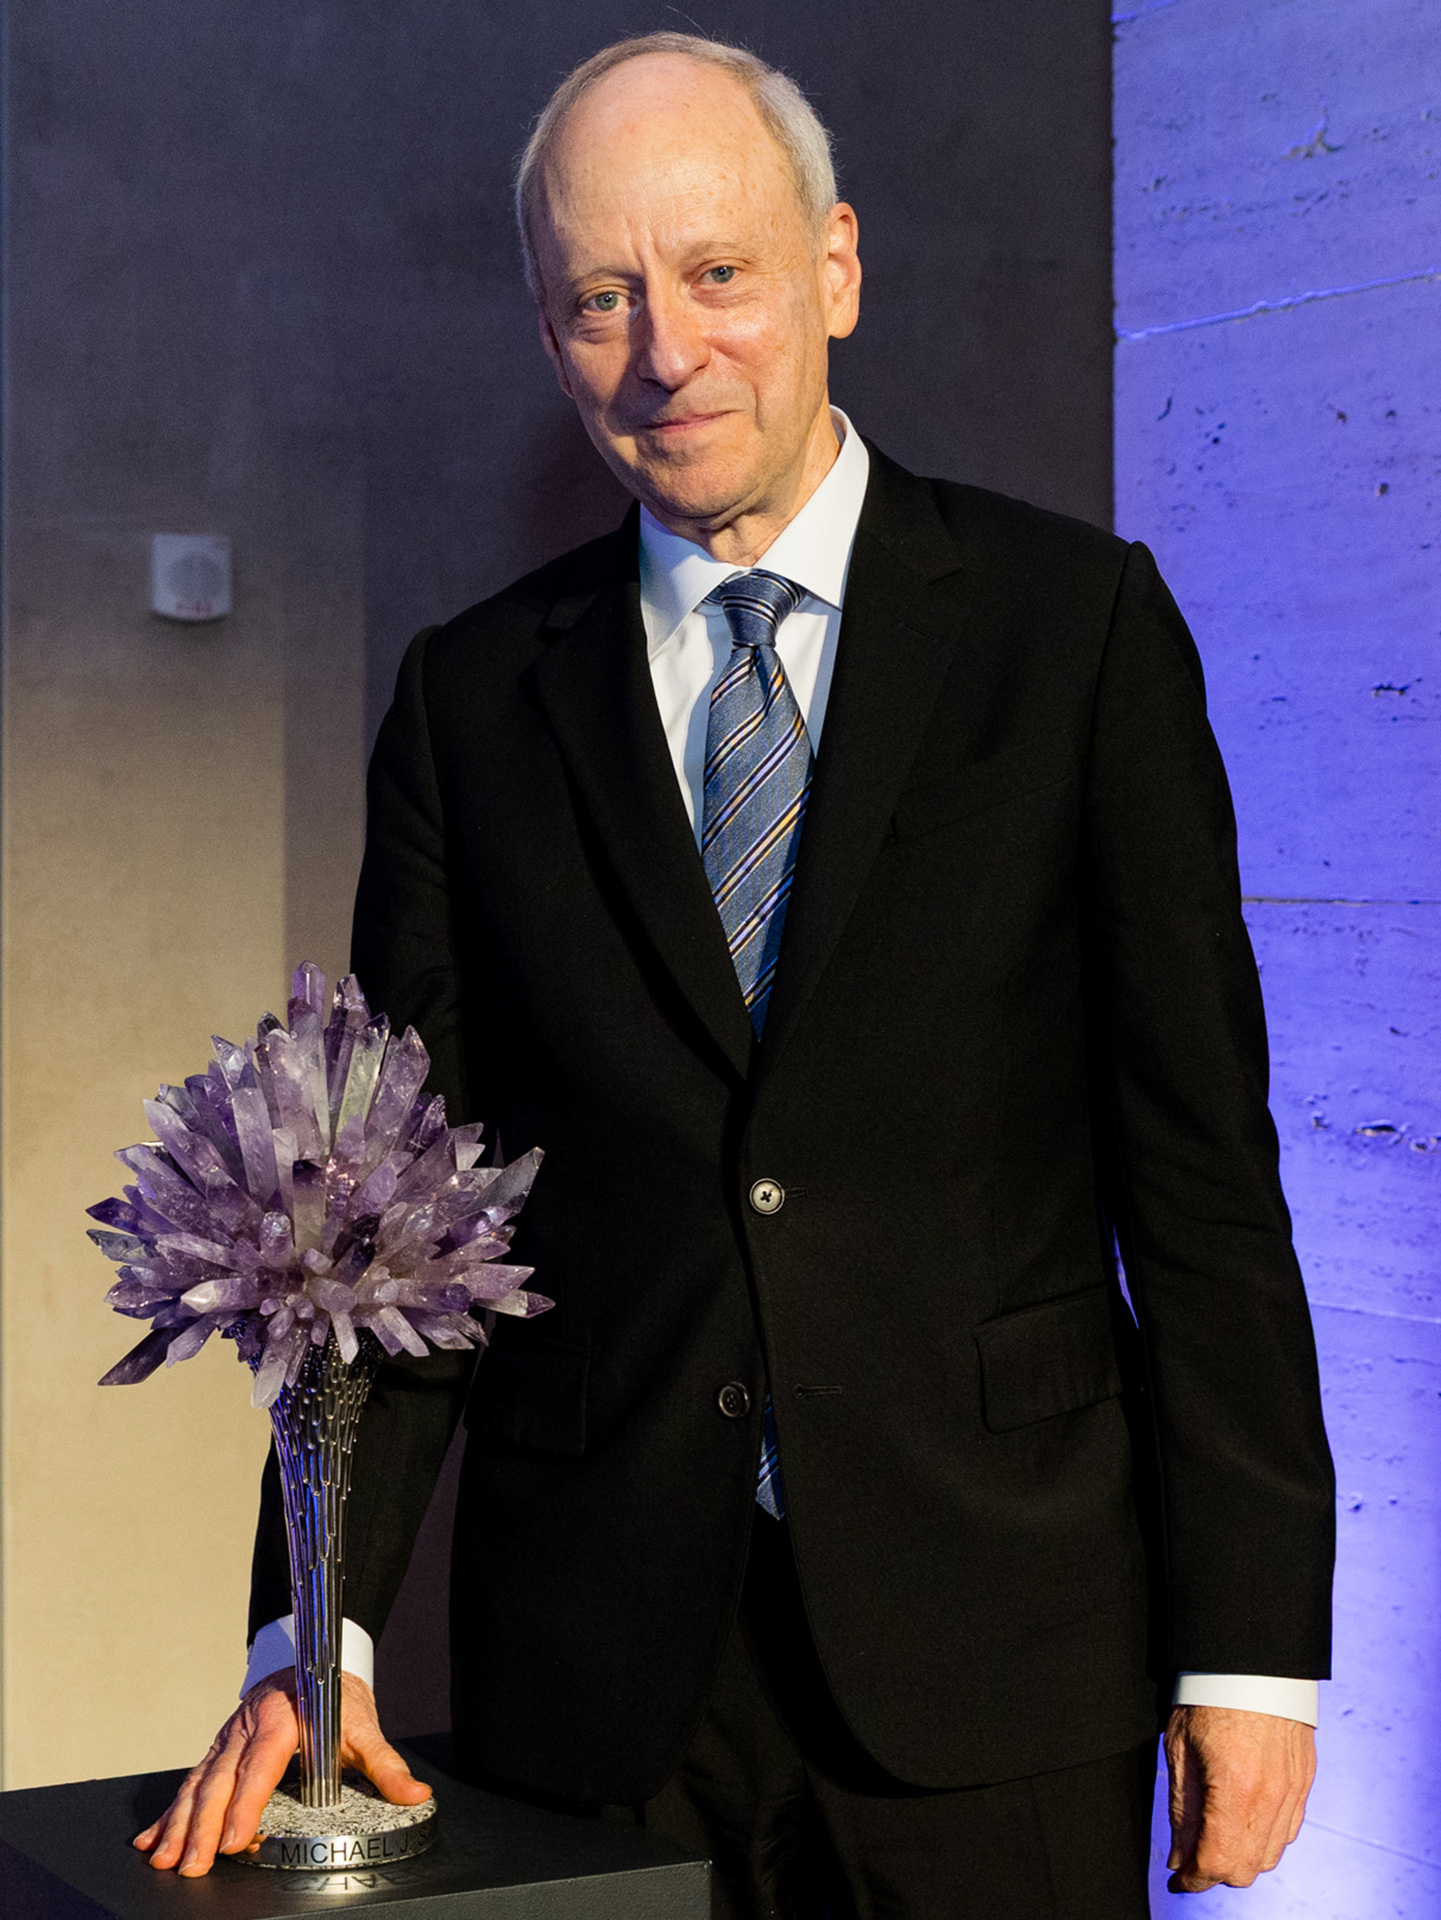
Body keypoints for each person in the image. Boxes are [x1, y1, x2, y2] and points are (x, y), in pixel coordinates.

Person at [136, 33, 1334, 1917]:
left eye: (715, 275)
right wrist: (319, 1635)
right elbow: (372, 1231)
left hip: (1003, 1659)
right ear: (550, 336)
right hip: (600, 1674)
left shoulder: (1076, 633)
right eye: (599, 299)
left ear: (833, 267)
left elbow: (1199, 1179)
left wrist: (1251, 1650)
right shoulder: (471, 699)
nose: (664, 353)